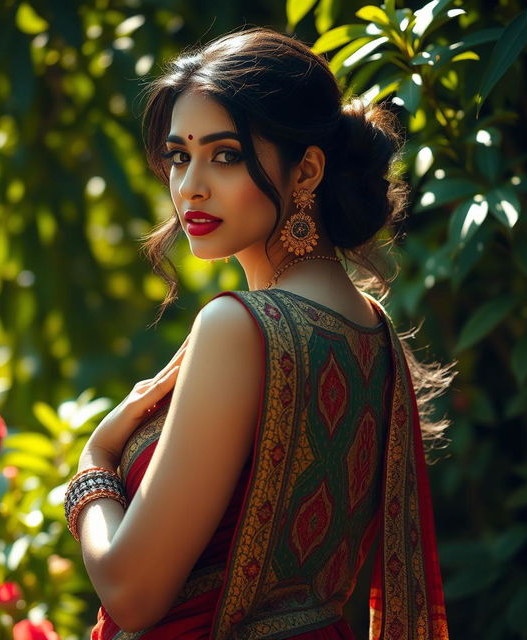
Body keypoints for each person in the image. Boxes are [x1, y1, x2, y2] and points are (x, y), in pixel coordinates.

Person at [63, 26, 456, 640]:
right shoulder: (371, 330)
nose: (190, 184)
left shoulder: (240, 326)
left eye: (225, 155)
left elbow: (131, 593)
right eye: (178, 155)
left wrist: (93, 464)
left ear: (307, 171)